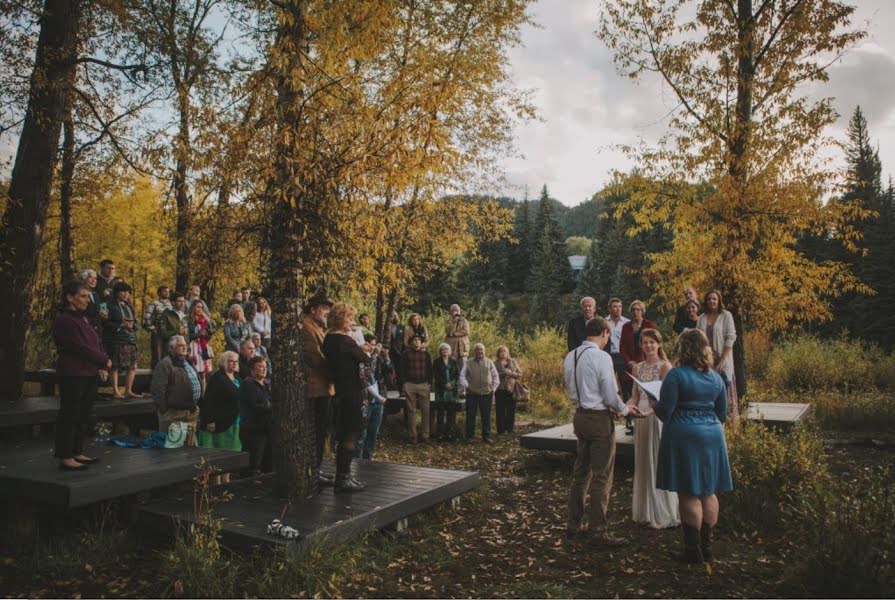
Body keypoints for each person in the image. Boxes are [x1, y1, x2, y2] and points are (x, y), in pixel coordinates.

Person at [645, 329, 733, 563]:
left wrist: (654, 403)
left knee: (689, 492)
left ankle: (692, 551)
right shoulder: (716, 378)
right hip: (713, 434)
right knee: (708, 490)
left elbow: (666, 412)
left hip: (684, 434)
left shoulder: (676, 376)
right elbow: (722, 413)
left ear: (683, 348)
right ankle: (707, 548)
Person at [563, 317, 636, 546]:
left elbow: (570, 386)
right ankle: (598, 530)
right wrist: (624, 409)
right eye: (608, 336)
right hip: (598, 419)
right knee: (601, 475)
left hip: (579, 417)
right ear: (604, 332)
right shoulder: (601, 357)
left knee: (580, 473)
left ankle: (573, 524)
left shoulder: (570, 356)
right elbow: (609, 393)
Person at [52, 281, 111, 471]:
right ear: (70, 297)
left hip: (89, 373)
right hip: (73, 373)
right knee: (70, 414)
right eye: (84, 296)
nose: (87, 300)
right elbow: (78, 347)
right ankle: (65, 455)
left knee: (83, 414)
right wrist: (102, 359)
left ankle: (77, 450)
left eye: (88, 296)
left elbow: (96, 341)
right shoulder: (64, 320)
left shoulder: (84, 319)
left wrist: (103, 360)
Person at [626, 329, 679, 529]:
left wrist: (651, 412)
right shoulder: (637, 368)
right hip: (641, 417)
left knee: (657, 461)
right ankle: (645, 510)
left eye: (652, 342)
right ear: (641, 345)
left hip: (657, 418)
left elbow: (668, 399)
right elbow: (635, 395)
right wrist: (628, 406)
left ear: (659, 344)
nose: (648, 346)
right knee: (643, 461)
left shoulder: (665, 367)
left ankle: (663, 511)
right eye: (645, 342)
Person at [322, 302, 372, 492]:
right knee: (351, 433)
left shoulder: (329, 339)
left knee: (345, 433)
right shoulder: (344, 341)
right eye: (350, 318)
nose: (352, 322)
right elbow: (365, 358)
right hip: (352, 391)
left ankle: (344, 476)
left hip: (341, 390)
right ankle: (343, 478)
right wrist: (360, 343)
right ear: (341, 320)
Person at [302, 290, 334, 485]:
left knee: (322, 431)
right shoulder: (306, 327)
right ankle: (313, 472)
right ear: (313, 309)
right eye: (324, 308)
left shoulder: (318, 327)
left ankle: (317, 469)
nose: (327, 312)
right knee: (316, 432)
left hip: (324, 387)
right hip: (315, 388)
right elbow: (315, 358)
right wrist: (337, 373)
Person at [197, 351, 242, 483]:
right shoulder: (217, 378)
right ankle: (216, 483)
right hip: (219, 423)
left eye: (236, 361)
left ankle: (226, 480)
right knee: (218, 454)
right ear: (224, 362)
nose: (234, 364)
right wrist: (210, 420)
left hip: (234, 422)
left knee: (231, 453)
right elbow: (208, 401)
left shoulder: (238, 378)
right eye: (231, 361)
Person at [696, 290, 739, 421]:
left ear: (719, 300)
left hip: (722, 358)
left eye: (714, 299)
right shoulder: (701, 317)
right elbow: (697, 338)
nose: (711, 301)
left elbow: (731, 337)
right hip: (706, 360)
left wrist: (722, 360)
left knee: (723, 388)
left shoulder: (726, 315)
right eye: (709, 299)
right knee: (707, 390)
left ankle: (727, 421)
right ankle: (710, 419)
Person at [151, 335, 201, 436]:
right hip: (174, 415)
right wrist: (165, 413)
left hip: (190, 413)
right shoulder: (165, 364)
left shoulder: (188, 362)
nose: (184, 348)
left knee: (189, 449)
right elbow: (158, 390)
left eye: (185, 345)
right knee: (171, 449)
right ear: (171, 348)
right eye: (180, 345)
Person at [620, 299, 656, 430]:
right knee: (629, 392)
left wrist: (641, 361)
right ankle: (629, 420)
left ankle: (647, 416)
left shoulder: (649, 324)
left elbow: (653, 343)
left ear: (642, 311)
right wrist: (628, 361)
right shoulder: (626, 326)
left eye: (638, 309)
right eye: (633, 310)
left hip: (645, 362)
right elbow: (622, 346)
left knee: (644, 392)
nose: (636, 312)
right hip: (629, 364)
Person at [103, 281, 140, 399]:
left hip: (130, 339)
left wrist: (132, 327)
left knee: (133, 365)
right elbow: (104, 323)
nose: (126, 294)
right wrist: (120, 325)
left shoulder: (129, 306)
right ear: (116, 292)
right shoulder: (108, 305)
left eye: (128, 292)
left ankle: (128, 390)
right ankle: (115, 391)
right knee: (115, 366)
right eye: (123, 291)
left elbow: (136, 323)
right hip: (116, 339)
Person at [459, 342, 499, 444]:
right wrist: (467, 386)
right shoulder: (468, 362)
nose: (479, 351)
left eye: (481, 349)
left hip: (486, 394)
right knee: (471, 415)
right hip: (472, 394)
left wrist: (493, 388)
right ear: (474, 351)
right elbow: (462, 376)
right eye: (477, 349)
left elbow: (495, 377)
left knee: (486, 416)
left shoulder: (489, 362)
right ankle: (470, 437)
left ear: (484, 351)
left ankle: (487, 436)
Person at [239, 356, 273, 475]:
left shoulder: (267, 383)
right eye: (260, 367)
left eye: (265, 367)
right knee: (253, 461)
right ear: (252, 370)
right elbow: (253, 406)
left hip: (266, 427)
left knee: (269, 459)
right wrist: (273, 408)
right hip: (253, 428)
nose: (264, 369)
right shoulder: (248, 383)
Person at [356, 334, 386, 459]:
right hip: (365, 399)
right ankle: (356, 459)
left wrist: (385, 358)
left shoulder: (377, 358)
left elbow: (387, 372)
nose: (373, 347)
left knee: (373, 432)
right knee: (361, 433)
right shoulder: (359, 359)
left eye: (374, 345)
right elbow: (363, 379)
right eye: (371, 345)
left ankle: (367, 458)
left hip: (378, 399)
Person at [401, 333, 433, 443]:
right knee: (411, 411)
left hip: (424, 384)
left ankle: (425, 435)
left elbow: (430, 369)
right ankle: (412, 436)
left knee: (426, 411)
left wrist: (429, 382)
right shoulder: (406, 354)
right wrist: (404, 383)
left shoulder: (426, 354)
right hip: (410, 384)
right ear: (411, 342)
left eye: (419, 340)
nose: (417, 341)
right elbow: (401, 369)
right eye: (415, 340)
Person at [432, 343, 461, 441]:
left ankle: (450, 434)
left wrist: (452, 384)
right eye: (443, 350)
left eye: (447, 350)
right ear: (440, 351)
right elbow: (436, 375)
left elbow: (457, 375)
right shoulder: (436, 362)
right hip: (441, 391)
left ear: (450, 351)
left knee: (451, 415)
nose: (445, 351)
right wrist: (445, 384)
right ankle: (439, 435)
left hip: (452, 392)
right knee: (440, 414)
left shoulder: (453, 361)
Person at [187, 300, 214, 394]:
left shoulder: (204, 319)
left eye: (201, 307)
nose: (200, 309)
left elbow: (210, 334)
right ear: (193, 307)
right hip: (192, 347)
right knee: (192, 373)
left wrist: (206, 331)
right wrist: (198, 334)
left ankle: (203, 396)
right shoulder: (188, 320)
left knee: (202, 374)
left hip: (202, 347)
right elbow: (187, 336)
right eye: (198, 307)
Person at [605, 297, 630, 400]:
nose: (618, 309)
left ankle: (628, 410)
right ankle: (611, 409)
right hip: (608, 356)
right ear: (609, 309)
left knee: (626, 384)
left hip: (622, 356)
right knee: (608, 383)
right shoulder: (604, 322)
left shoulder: (627, 322)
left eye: (620, 306)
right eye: (615, 306)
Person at [494, 346, 522, 436]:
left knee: (511, 410)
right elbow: (492, 375)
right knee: (500, 410)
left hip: (512, 389)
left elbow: (520, 374)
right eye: (501, 352)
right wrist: (503, 373)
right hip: (500, 389)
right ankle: (501, 430)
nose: (503, 353)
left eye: (505, 351)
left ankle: (510, 429)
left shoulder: (513, 361)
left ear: (507, 353)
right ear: (498, 353)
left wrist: (511, 373)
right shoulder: (495, 363)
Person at [143, 285, 172, 368]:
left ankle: (166, 376)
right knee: (157, 355)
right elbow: (147, 316)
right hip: (158, 332)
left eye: (168, 291)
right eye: (164, 291)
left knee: (167, 355)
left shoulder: (171, 304)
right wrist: (152, 328)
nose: (167, 293)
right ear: (159, 293)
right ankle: (155, 376)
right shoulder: (154, 303)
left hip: (168, 332)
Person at [444, 304, 470, 371]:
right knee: (452, 368)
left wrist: (455, 334)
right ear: (451, 312)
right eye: (453, 310)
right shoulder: (448, 321)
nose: (455, 312)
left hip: (462, 348)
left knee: (463, 369)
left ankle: (462, 381)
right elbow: (447, 331)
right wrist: (454, 322)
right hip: (452, 348)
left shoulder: (464, 320)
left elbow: (466, 331)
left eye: (457, 310)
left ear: (460, 312)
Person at [80, 269, 102, 335]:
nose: (93, 280)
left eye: (95, 278)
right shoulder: (79, 294)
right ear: (83, 279)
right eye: (90, 277)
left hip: (97, 331)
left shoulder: (96, 295)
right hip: (85, 330)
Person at [389, 311, 405, 386]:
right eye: (392, 316)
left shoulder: (402, 327)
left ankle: (400, 388)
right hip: (388, 350)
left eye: (396, 315)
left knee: (400, 370)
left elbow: (404, 340)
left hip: (399, 351)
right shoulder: (385, 327)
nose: (394, 317)